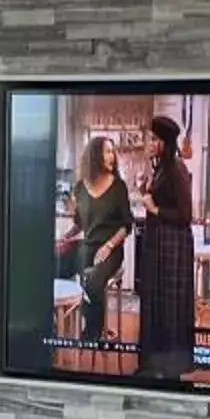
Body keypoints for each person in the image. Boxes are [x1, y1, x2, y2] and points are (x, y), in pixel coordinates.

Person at [132, 112, 197, 376]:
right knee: (156, 302)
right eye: (150, 138)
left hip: (173, 247)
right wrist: (144, 189)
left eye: (154, 139)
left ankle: (171, 366)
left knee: (169, 304)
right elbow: (157, 199)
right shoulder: (160, 167)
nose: (149, 143)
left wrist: (154, 208)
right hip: (159, 244)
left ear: (164, 143)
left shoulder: (177, 169)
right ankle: (154, 363)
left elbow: (185, 215)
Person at [63, 134, 131, 342]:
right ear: (95, 156)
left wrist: (109, 246)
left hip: (111, 249)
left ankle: (92, 334)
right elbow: (80, 224)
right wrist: (65, 237)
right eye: (108, 151)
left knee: (91, 279)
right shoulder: (80, 188)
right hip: (88, 246)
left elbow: (126, 225)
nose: (113, 156)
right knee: (54, 266)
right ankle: (59, 324)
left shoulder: (119, 186)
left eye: (113, 152)